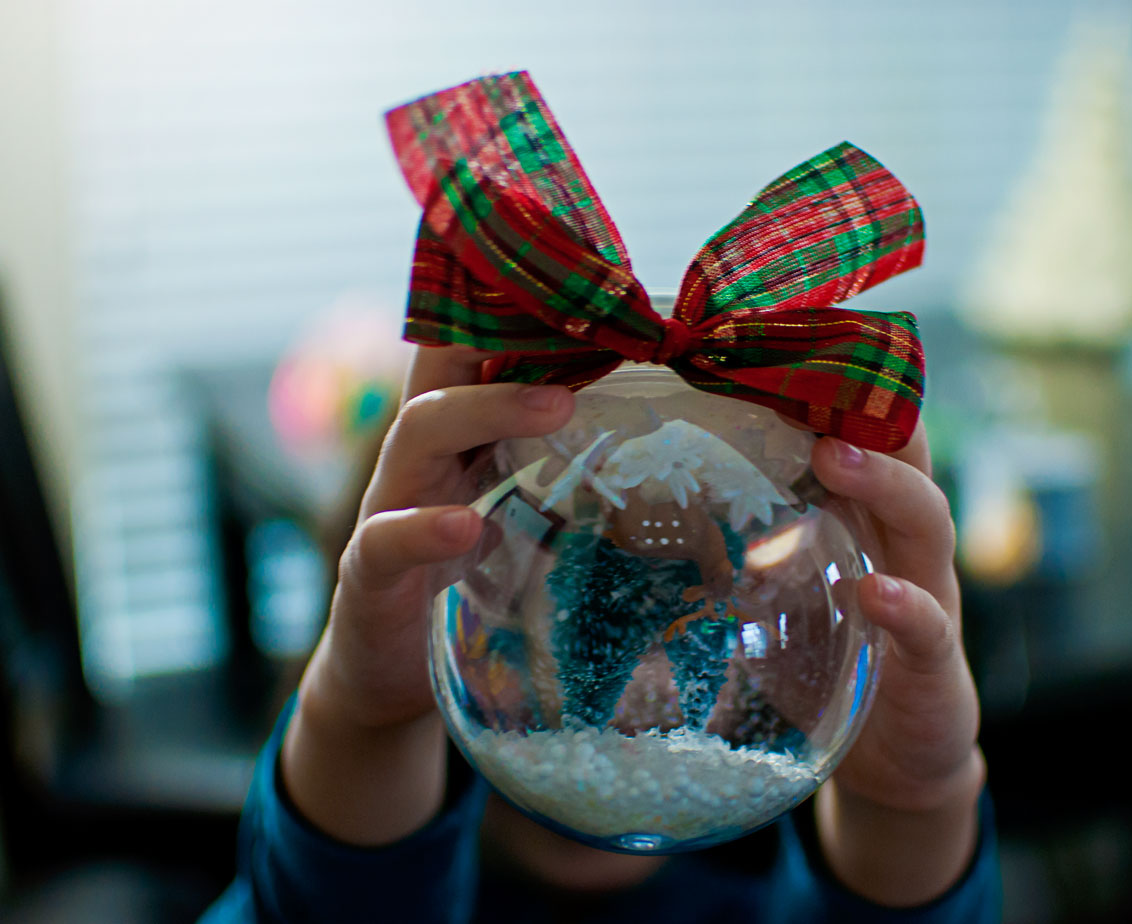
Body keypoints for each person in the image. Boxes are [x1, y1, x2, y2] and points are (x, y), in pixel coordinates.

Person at [200, 343, 1001, 923]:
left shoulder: (751, 874)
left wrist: (907, 806)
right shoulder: (388, 801)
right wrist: (364, 725)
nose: (642, 700)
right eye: (609, 617)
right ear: (471, 624)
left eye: (686, 622)